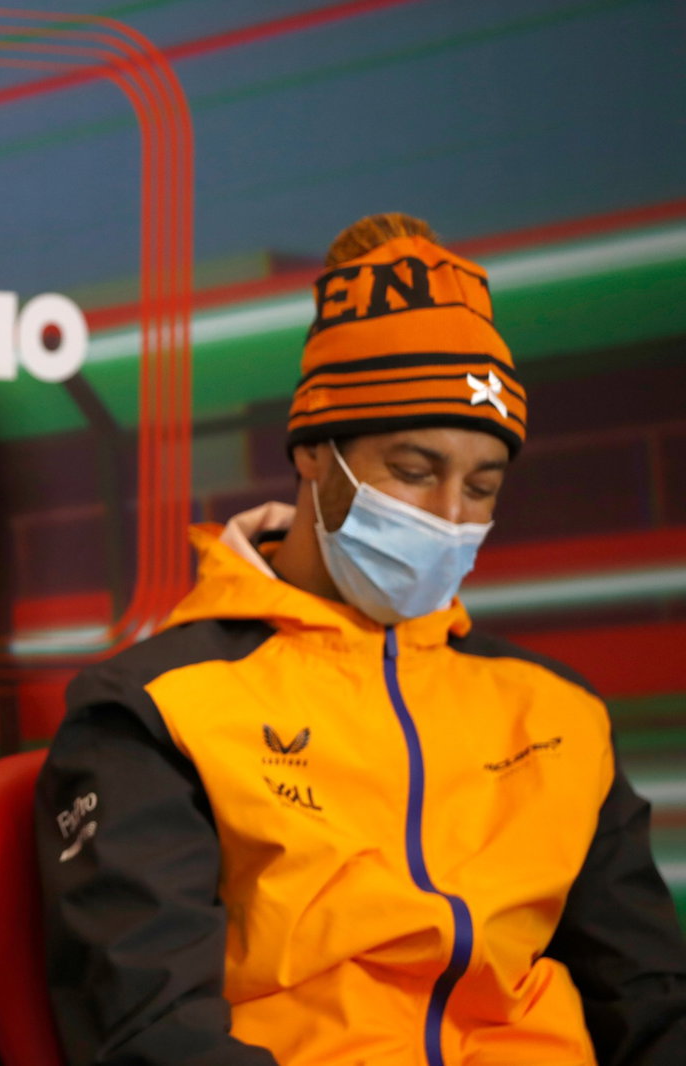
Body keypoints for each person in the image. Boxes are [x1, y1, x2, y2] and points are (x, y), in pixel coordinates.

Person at [35, 215, 686, 1065]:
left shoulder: (558, 712)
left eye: (482, 487)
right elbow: (153, 1036)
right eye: (413, 472)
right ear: (314, 452)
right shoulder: (157, 708)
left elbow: (651, 1003)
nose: (448, 516)